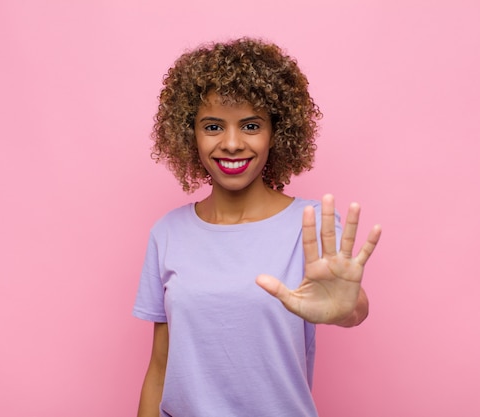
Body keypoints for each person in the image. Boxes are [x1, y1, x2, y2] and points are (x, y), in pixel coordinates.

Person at [133, 37, 381, 417]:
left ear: (276, 133)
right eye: (213, 126)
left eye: (250, 125)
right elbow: (160, 368)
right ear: (190, 135)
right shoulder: (167, 233)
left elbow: (351, 307)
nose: (232, 144)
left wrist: (349, 309)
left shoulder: (310, 226)